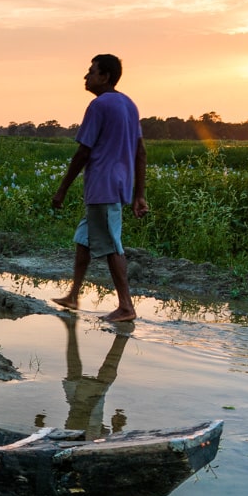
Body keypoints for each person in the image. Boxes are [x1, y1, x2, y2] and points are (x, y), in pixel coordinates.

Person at [50, 54, 148, 322]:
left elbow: (83, 152)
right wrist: (139, 194)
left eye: (91, 71)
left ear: (105, 77)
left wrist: (62, 189)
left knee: (111, 245)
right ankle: (73, 294)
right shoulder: (129, 104)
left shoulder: (99, 105)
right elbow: (141, 152)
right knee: (84, 240)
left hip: (103, 187)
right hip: (114, 187)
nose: (86, 76)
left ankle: (126, 306)